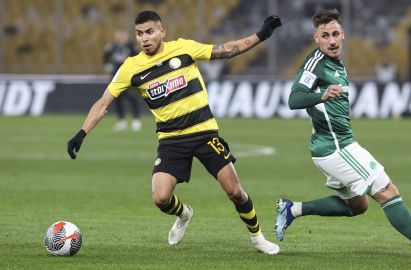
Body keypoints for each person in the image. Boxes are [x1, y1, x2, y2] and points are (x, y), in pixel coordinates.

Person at [67, 10, 282, 254]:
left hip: (204, 133)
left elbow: (227, 49)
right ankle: (184, 213)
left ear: (162, 31)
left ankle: (257, 238)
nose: (144, 38)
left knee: (235, 191)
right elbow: (103, 103)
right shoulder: (131, 67)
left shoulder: (184, 48)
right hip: (171, 140)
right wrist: (82, 132)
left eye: (149, 32)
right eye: (139, 34)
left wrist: (262, 35)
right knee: (160, 198)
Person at [274, 9, 411, 262]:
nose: (332, 40)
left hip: (331, 146)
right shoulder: (315, 63)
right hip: (336, 148)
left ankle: (292, 209)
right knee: (386, 189)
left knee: (358, 206)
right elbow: (294, 99)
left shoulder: (335, 63)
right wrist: (322, 95)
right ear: (316, 38)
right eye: (325, 35)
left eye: (336, 34)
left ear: (344, 35)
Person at [103, 28, 142, 131]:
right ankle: (122, 121)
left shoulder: (131, 46)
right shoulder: (111, 47)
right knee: (117, 98)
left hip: (129, 75)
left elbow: (138, 58)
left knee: (132, 96)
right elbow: (105, 58)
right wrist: (108, 65)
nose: (120, 38)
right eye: (118, 36)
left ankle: (136, 120)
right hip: (116, 75)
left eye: (122, 36)